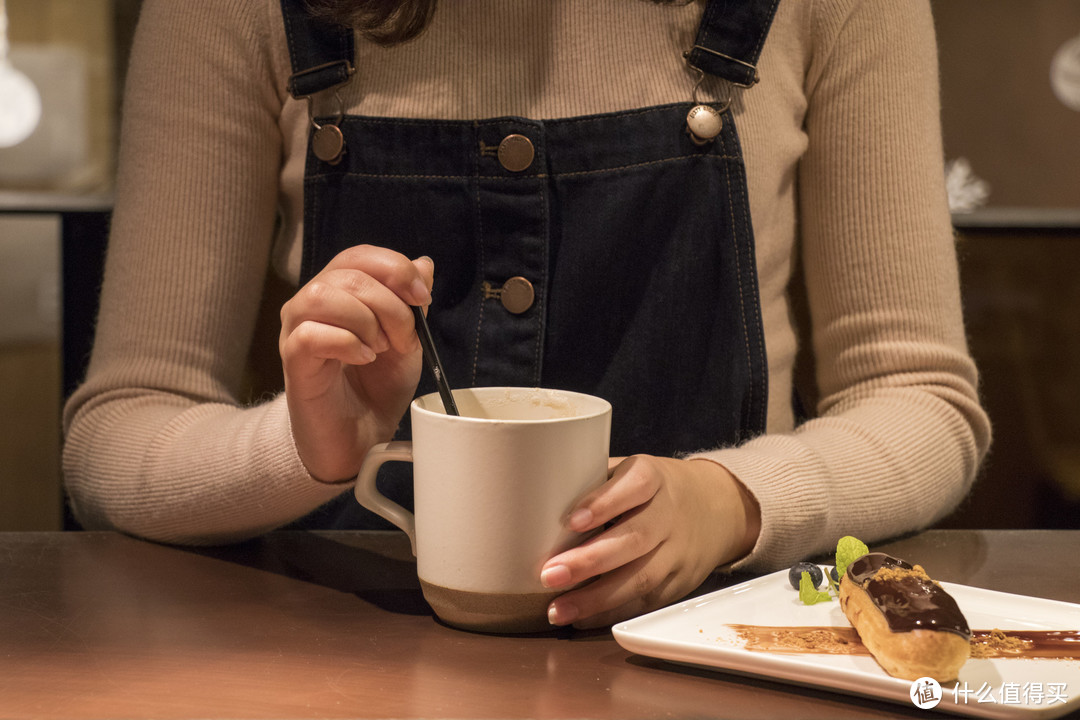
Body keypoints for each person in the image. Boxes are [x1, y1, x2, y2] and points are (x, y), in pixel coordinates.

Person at [62, 0, 991, 630]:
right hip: (346, 658)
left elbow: (921, 400)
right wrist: (309, 450)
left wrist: (733, 503)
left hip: (722, 653)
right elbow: (116, 437)